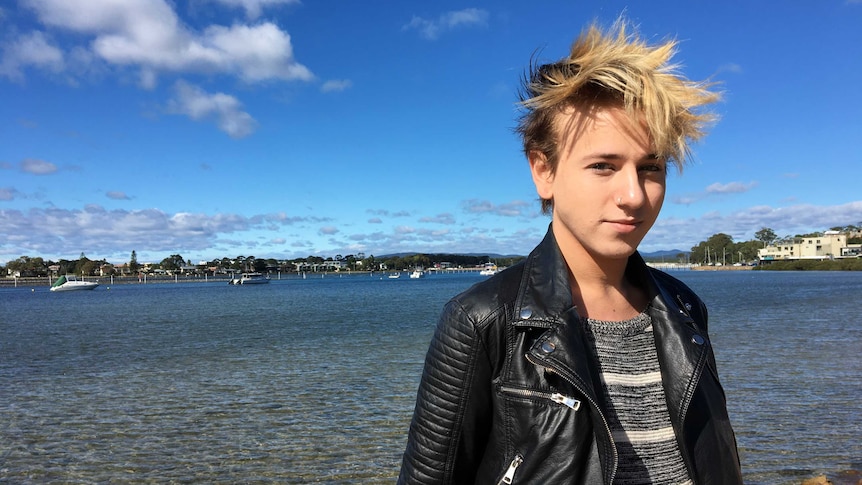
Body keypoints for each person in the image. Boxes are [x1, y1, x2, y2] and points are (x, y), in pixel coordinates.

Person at [398, 19, 743, 485]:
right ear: (544, 171)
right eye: (603, 166)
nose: (634, 196)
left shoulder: (684, 308)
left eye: (651, 167)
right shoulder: (483, 319)